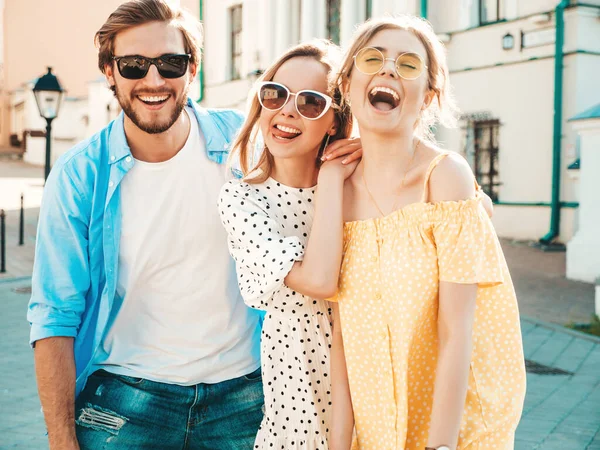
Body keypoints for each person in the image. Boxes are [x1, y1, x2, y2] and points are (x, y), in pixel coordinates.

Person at [28, 1, 265, 448]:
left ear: (191, 69)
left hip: (244, 398)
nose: (153, 81)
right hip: (123, 401)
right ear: (109, 71)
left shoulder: (245, 147)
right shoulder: (81, 175)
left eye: (170, 63)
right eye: (134, 65)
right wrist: (62, 440)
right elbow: (54, 316)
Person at [329, 16, 526, 450]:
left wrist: (440, 447)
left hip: (450, 431)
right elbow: (343, 341)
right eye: (373, 58)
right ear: (346, 84)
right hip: (376, 429)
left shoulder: (444, 177)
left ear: (428, 98)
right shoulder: (336, 192)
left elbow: (457, 331)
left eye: (408, 64)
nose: (388, 70)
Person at [218, 40, 360, 449]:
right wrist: (332, 180)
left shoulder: (361, 185)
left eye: (311, 102)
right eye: (275, 94)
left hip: (369, 377)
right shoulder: (242, 200)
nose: (287, 111)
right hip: (297, 399)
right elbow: (318, 281)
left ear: (334, 120)